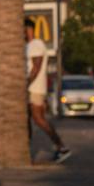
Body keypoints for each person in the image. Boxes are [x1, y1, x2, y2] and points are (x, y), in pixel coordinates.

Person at [25, 18, 71, 163]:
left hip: (34, 88)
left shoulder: (35, 44)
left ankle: (61, 147)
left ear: (28, 29)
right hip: (33, 88)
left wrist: (25, 85)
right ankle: (27, 150)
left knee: (39, 119)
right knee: (28, 119)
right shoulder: (30, 45)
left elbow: (36, 67)